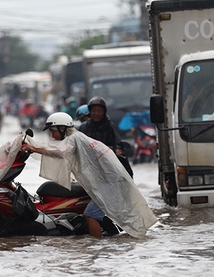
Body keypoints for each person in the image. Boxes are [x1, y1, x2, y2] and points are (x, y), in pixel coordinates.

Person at [20, 112, 156, 239]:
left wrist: (33, 148)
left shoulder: (74, 139)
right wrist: (32, 146)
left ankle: (96, 247)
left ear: (62, 128)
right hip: (109, 182)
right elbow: (53, 147)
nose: (52, 135)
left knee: (90, 216)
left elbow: (60, 153)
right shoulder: (76, 138)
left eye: (53, 131)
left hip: (110, 183)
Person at [78, 96, 132, 177]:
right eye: (94, 111)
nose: (97, 113)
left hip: (108, 160)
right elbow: (78, 144)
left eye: (99, 111)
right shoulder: (83, 127)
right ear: (90, 112)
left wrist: (118, 149)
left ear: (104, 112)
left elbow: (117, 141)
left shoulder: (110, 126)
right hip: (89, 161)